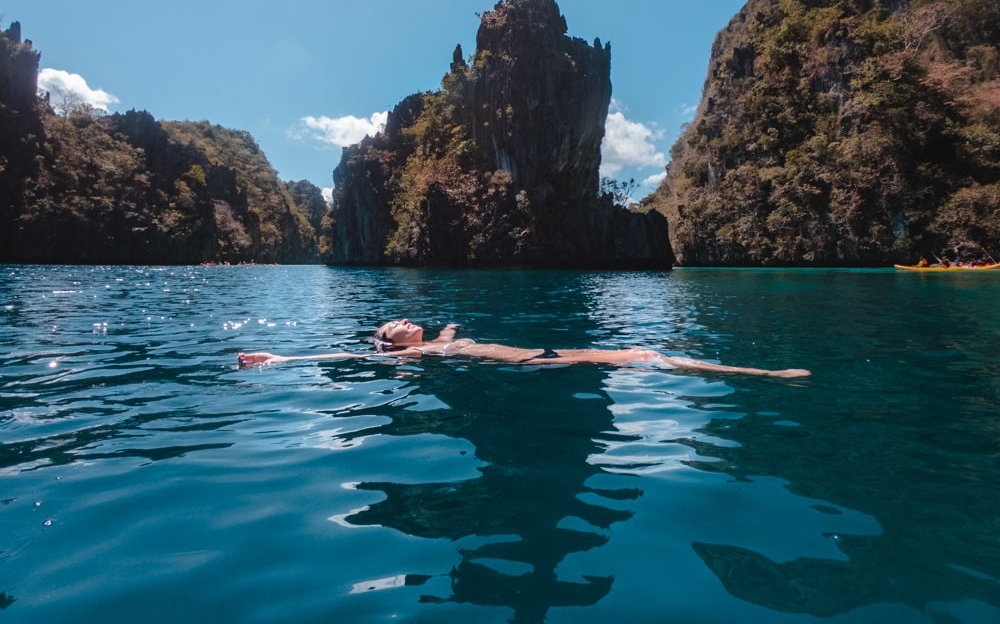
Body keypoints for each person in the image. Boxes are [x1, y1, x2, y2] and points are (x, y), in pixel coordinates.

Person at [237, 319, 810, 378]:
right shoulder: (411, 357)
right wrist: (280, 359)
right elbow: (348, 358)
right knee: (644, 357)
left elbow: (451, 340)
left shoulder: (435, 344)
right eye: (398, 324)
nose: (407, 320)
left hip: (536, 353)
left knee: (641, 355)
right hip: (530, 362)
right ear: (394, 344)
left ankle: (750, 372)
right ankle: (759, 374)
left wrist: (452, 329)